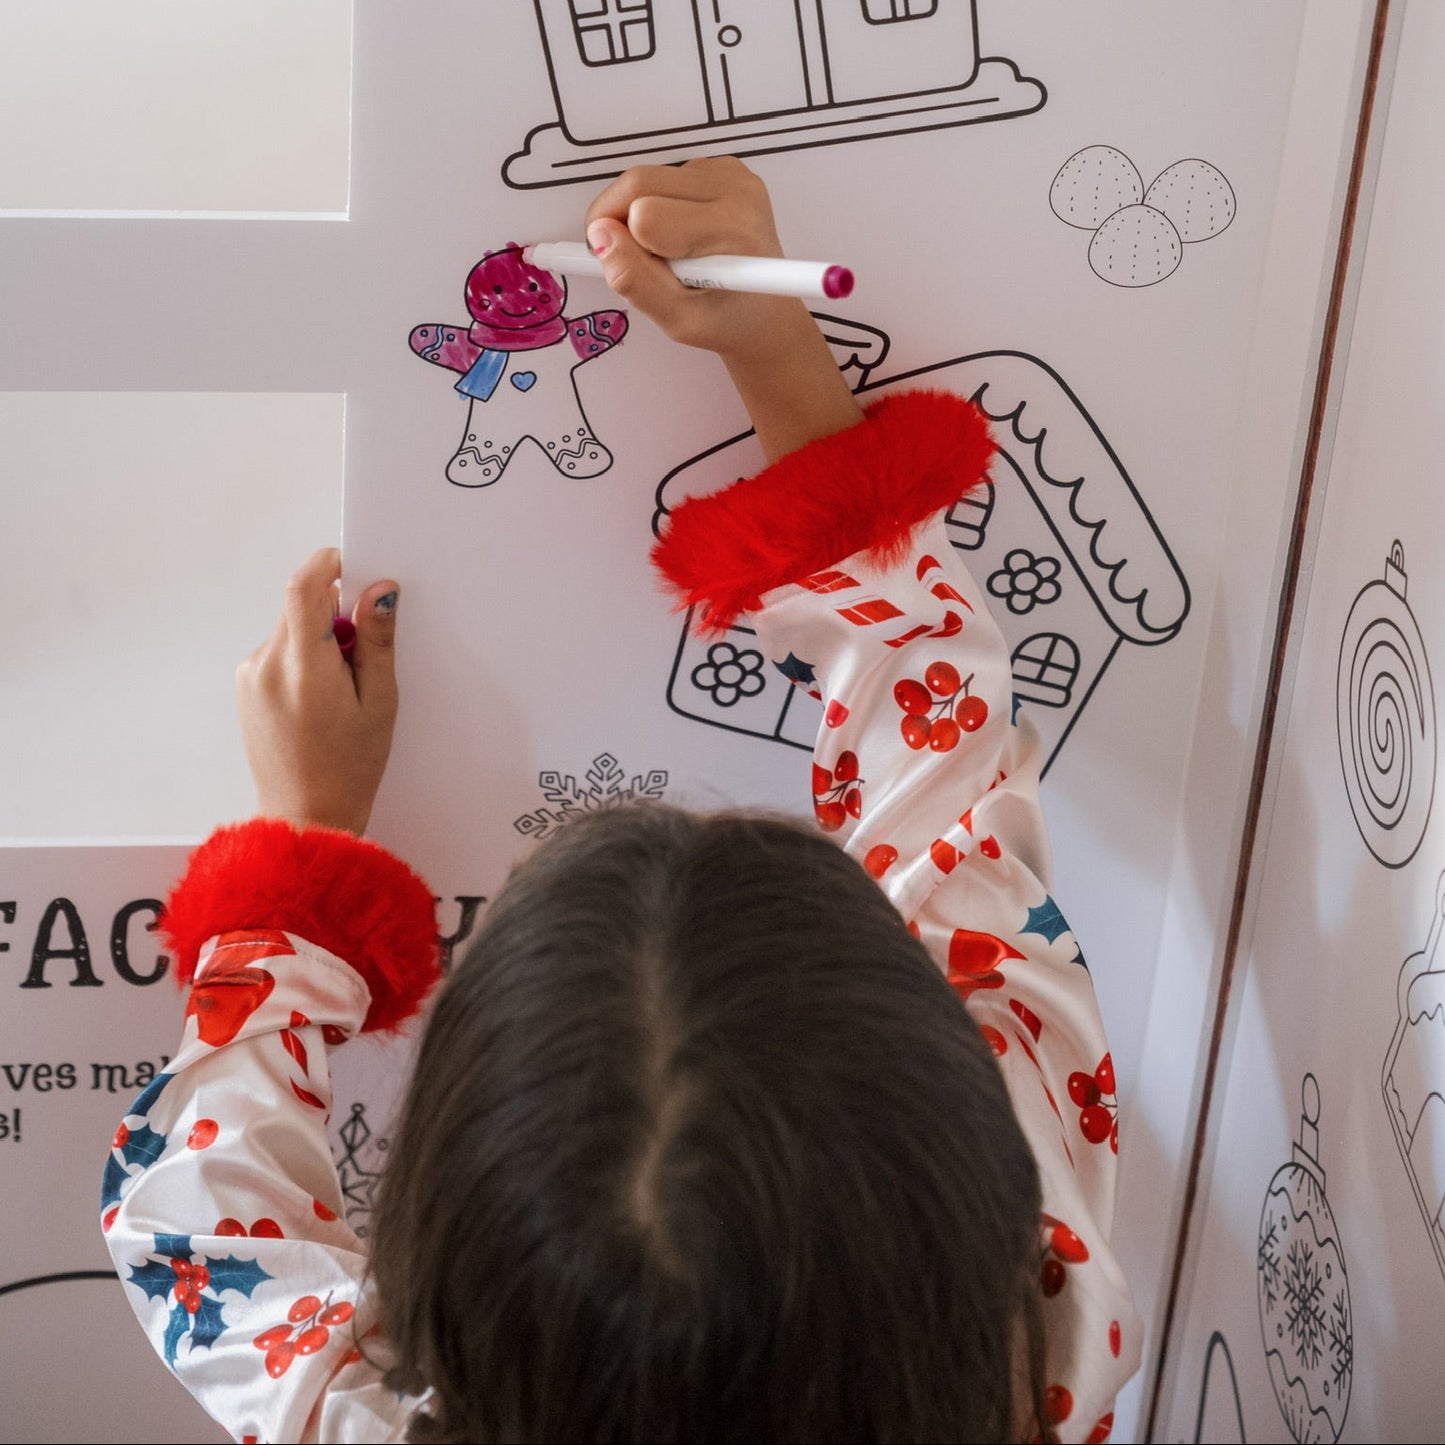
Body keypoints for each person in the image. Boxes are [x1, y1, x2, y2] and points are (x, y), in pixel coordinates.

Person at [102, 158, 1140, 1443]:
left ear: (413, 1282)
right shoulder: (1048, 1308)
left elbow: (190, 1225)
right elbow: (938, 757)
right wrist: (776, 351)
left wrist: (303, 853)